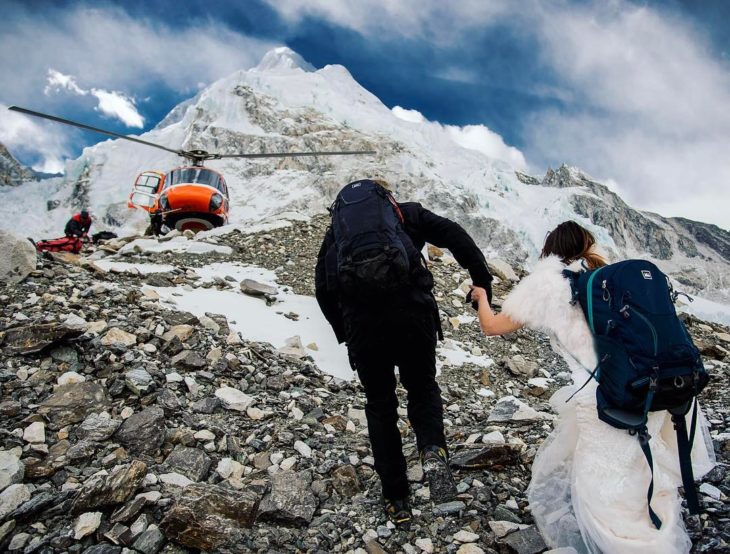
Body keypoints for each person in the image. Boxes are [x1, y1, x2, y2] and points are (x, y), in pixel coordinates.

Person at [469, 221, 715, 554]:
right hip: (649, 386)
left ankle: (635, 546)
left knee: (602, 487)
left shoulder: (546, 284)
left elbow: (492, 326)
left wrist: (482, 297)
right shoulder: (610, 279)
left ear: (549, 250)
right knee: (646, 470)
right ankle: (661, 533)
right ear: (587, 244)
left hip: (602, 399)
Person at [315, 178, 493, 525]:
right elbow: (456, 235)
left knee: (380, 405)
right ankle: (431, 450)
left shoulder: (337, 234)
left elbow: (323, 288)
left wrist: (346, 334)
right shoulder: (405, 215)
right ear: (387, 198)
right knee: (422, 387)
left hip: (364, 329)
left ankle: (396, 499)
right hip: (414, 315)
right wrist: (481, 280)